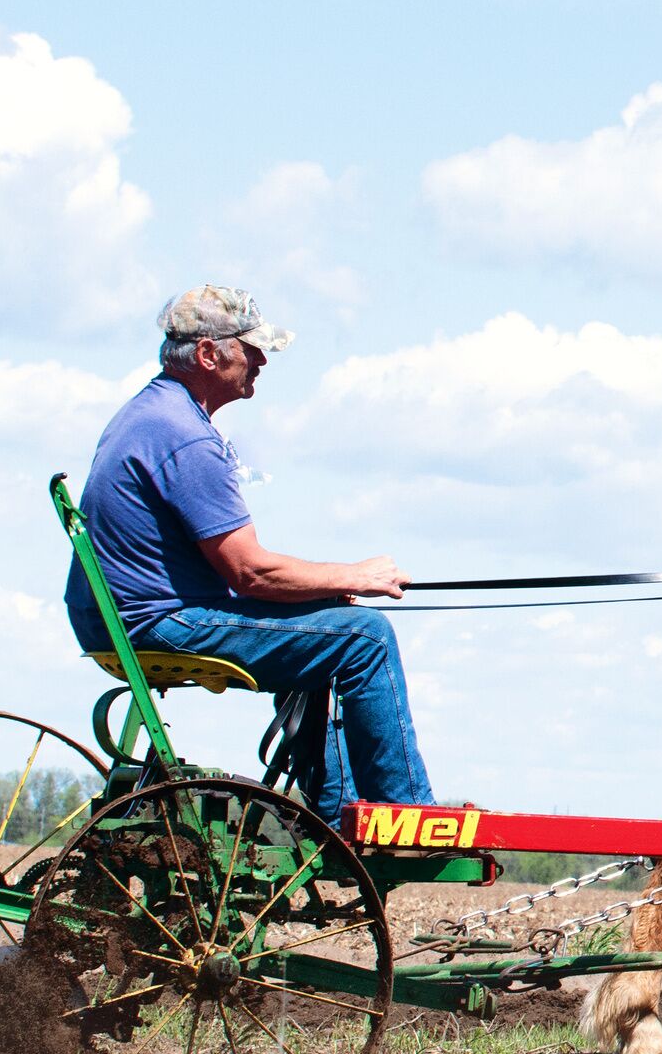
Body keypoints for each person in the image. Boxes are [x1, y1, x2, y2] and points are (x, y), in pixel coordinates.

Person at [65, 284, 435, 819]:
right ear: (210, 354)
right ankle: (408, 816)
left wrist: (328, 589)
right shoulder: (184, 437)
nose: (262, 360)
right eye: (251, 347)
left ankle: (336, 811)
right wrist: (353, 575)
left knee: (324, 624)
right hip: (157, 621)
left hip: (121, 618)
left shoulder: (150, 413)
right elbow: (250, 573)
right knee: (365, 636)